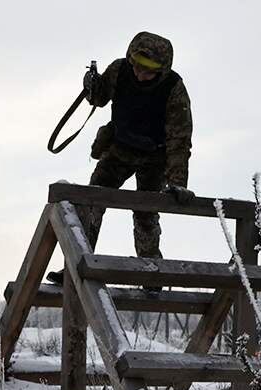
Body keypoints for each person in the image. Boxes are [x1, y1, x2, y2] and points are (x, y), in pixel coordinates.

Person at [47, 31, 194, 292]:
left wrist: (177, 182)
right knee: (91, 200)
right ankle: (77, 260)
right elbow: (99, 97)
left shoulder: (174, 89)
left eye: (148, 71)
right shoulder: (119, 70)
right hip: (120, 148)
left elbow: (179, 140)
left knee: (146, 212)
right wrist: (91, 85)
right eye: (136, 66)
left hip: (155, 157)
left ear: (161, 70)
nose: (139, 74)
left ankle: (151, 272)